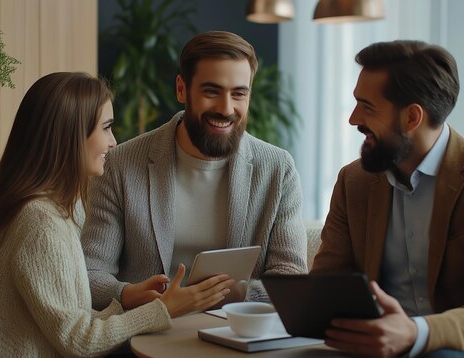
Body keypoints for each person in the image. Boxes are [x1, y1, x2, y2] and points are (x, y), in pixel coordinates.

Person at [0, 72, 233, 357]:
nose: (114, 142)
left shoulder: (38, 209)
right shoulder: (40, 225)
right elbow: (79, 342)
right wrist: (162, 310)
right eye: (106, 128)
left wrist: (127, 301)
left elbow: (69, 322)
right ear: (69, 135)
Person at [311, 40, 464, 357]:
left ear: (411, 118)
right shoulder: (354, 181)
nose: (353, 119)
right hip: (378, 347)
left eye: (367, 107)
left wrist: (415, 332)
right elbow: (327, 286)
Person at [81, 30, 308, 311]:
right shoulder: (121, 165)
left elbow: (291, 280)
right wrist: (132, 295)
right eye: (211, 91)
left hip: (238, 338)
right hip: (147, 337)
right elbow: (89, 276)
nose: (226, 108)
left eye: (239, 94)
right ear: (181, 89)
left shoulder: (278, 169)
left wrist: (222, 295)